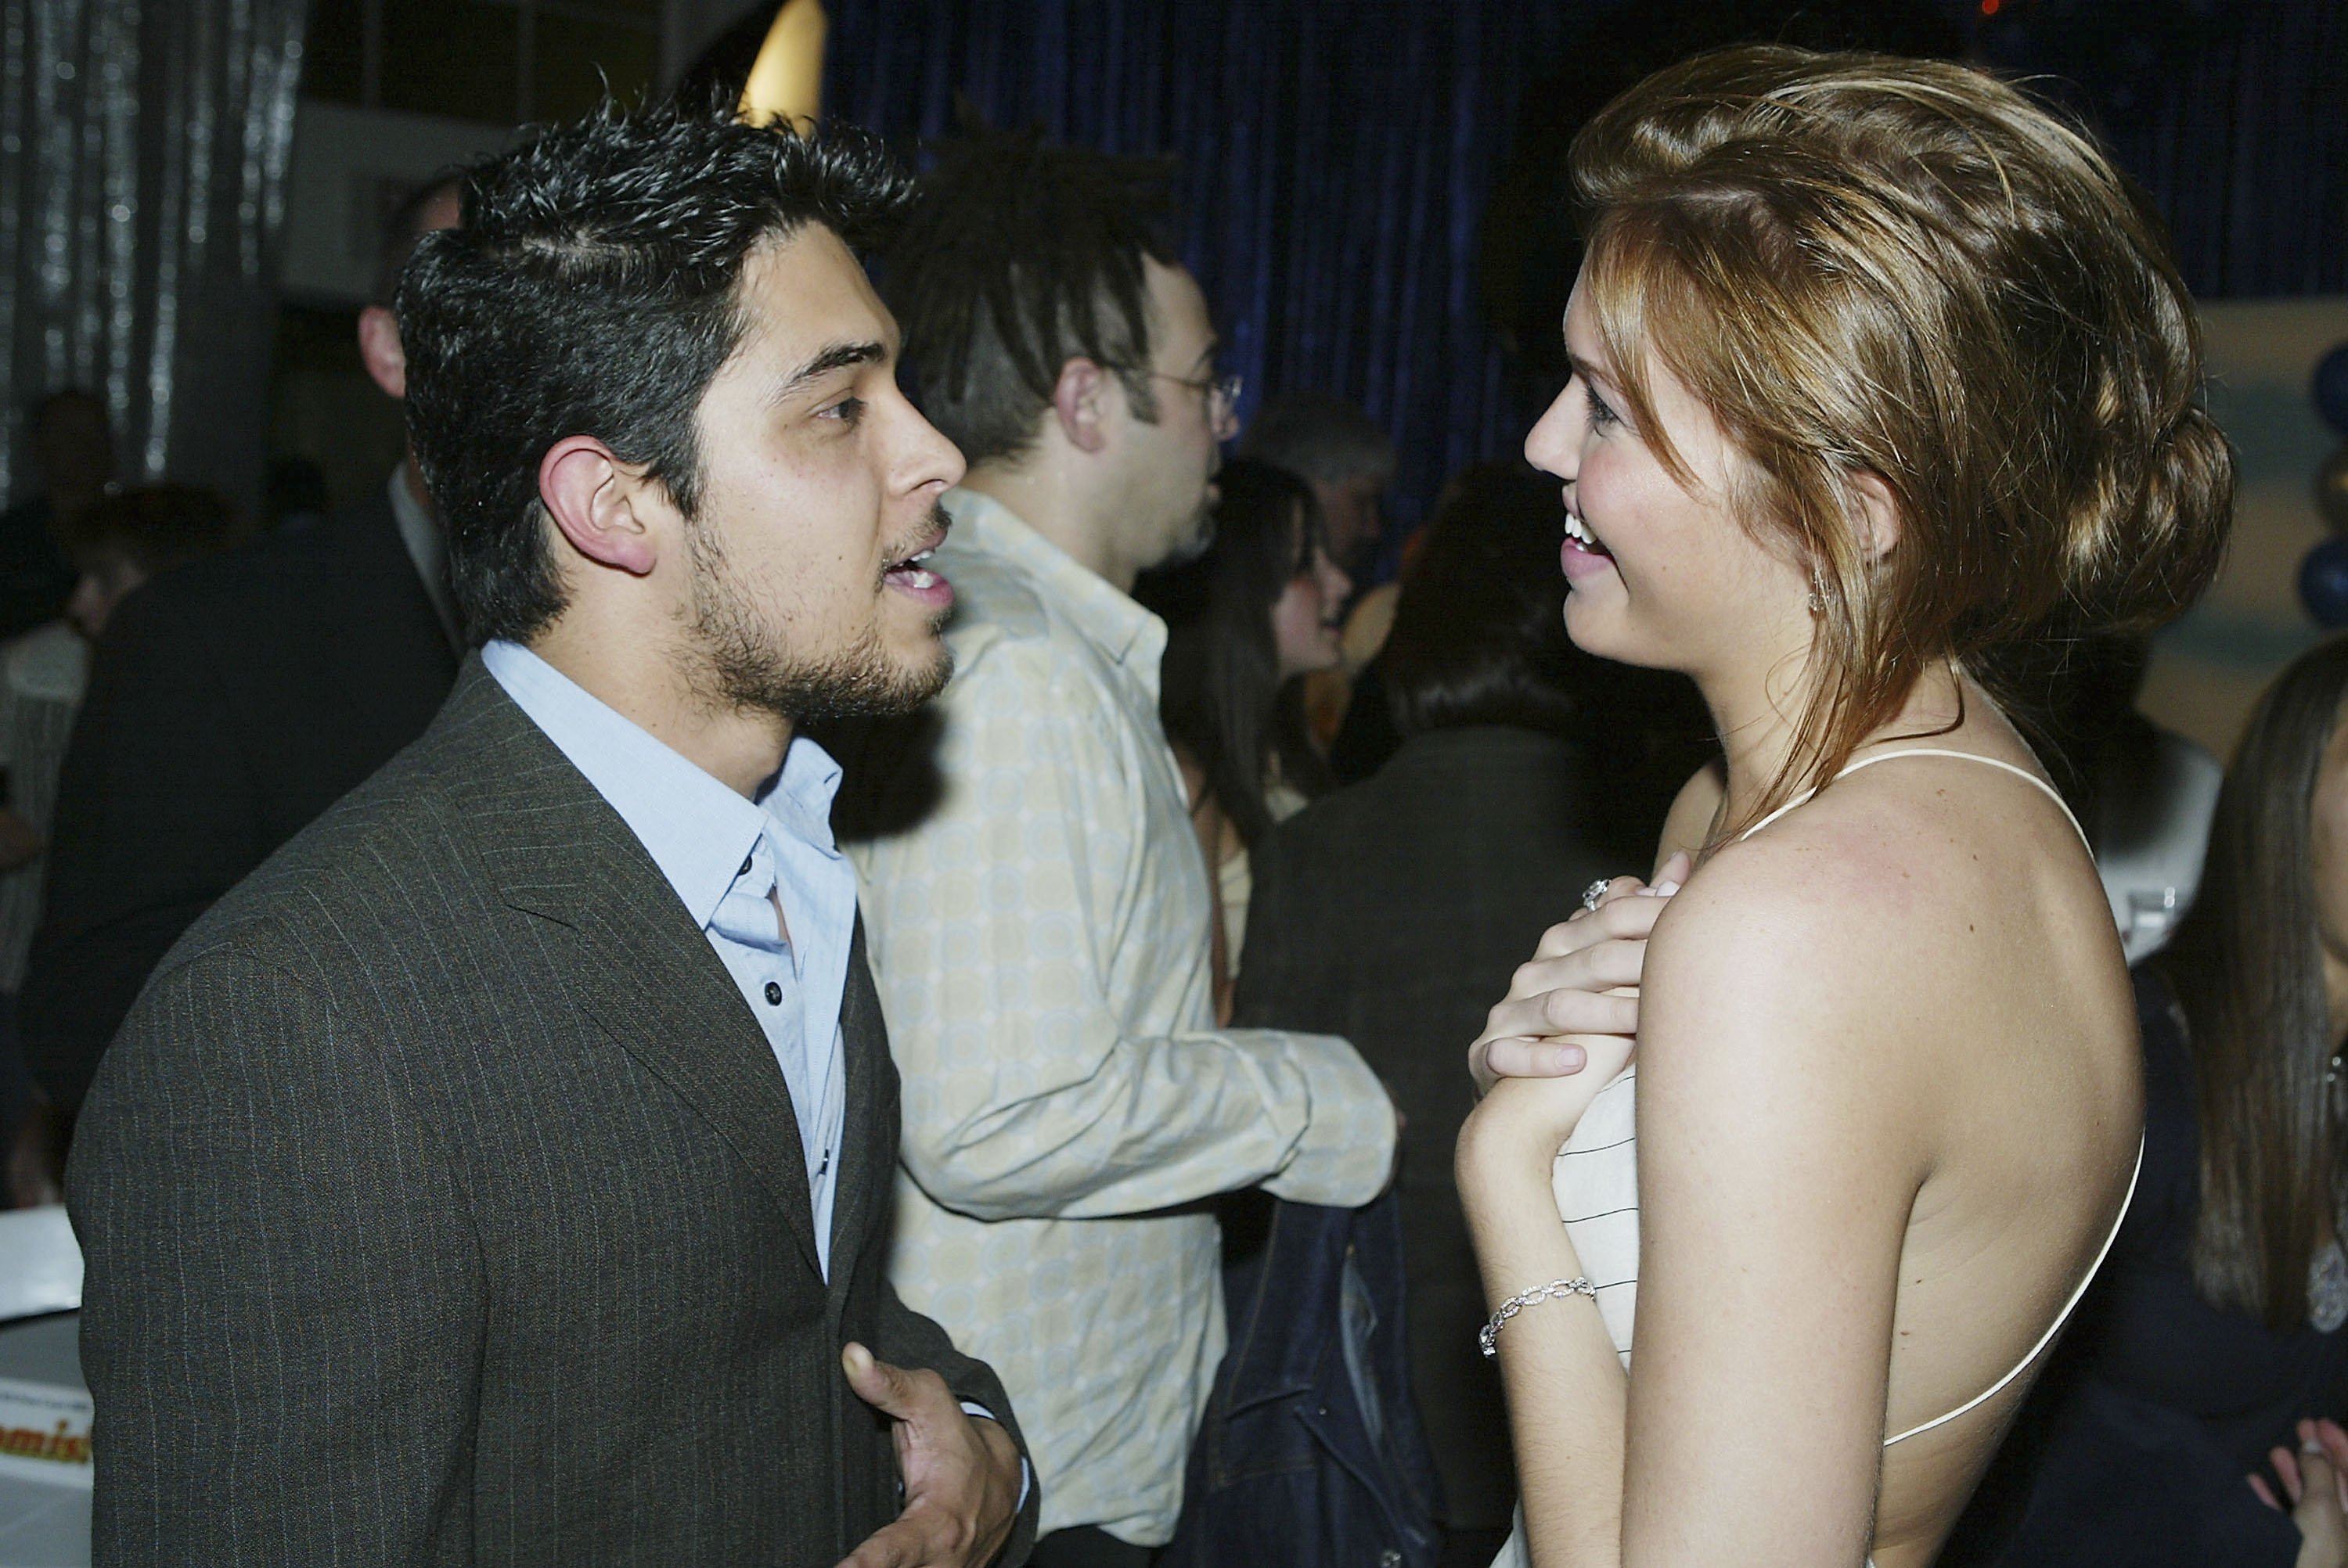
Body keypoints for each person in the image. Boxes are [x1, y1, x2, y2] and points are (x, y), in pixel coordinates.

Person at [66, 99, 1035, 1564]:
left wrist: (984, 1456)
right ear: (614, 504)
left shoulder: (776, 851)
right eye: (842, 405)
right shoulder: (288, 1024)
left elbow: (808, 1319)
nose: (937, 451)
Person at [1453, 46, 2232, 1568]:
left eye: (1606, 410)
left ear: (1848, 508)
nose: (1544, 444)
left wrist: (1508, 1181)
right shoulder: (1902, 795)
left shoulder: (1803, 922)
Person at [841, 126, 1398, 1567]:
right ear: (1088, 400)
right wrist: (1318, 1091)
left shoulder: (1002, 628)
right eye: (1205, 379)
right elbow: (997, 1114)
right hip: (1051, 1461)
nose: (1227, 421)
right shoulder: (1017, 665)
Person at [1232, 459, 1622, 1566]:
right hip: (1589, 1395)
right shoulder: (1645, 855)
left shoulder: (1314, 850)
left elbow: (1276, 1141)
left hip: (1364, 1400)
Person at [20, 177, 464, 1124]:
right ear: (389, 351)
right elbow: (91, 1010)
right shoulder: (210, 636)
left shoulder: (664, 634)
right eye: (488, 307)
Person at [1943, 635, 2348, 1567]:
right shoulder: (2135, 1070)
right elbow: (2005, 1415)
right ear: (2289, 803)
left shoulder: (2327, 1076)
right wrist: (2263, 1546)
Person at [1134, 456, 1349, 1016]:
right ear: (1241, 587)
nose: (1341, 583)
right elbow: (1206, 1012)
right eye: (1305, 562)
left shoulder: (1287, 757)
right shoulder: (1185, 776)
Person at [0, 389, 112, 641]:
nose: (86, 447)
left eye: (96, 433)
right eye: (70, 435)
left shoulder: (136, 536)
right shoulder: (10, 539)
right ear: (40, 446)